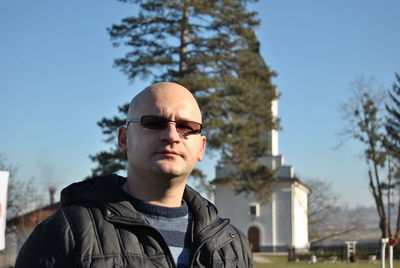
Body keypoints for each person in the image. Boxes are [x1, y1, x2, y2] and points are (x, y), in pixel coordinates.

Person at [15, 82, 253, 268]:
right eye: (154, 122)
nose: (171, 135)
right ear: (123, 139)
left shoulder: (233, 245)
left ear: (201, 147)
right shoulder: (67, 233)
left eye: (185, 127)